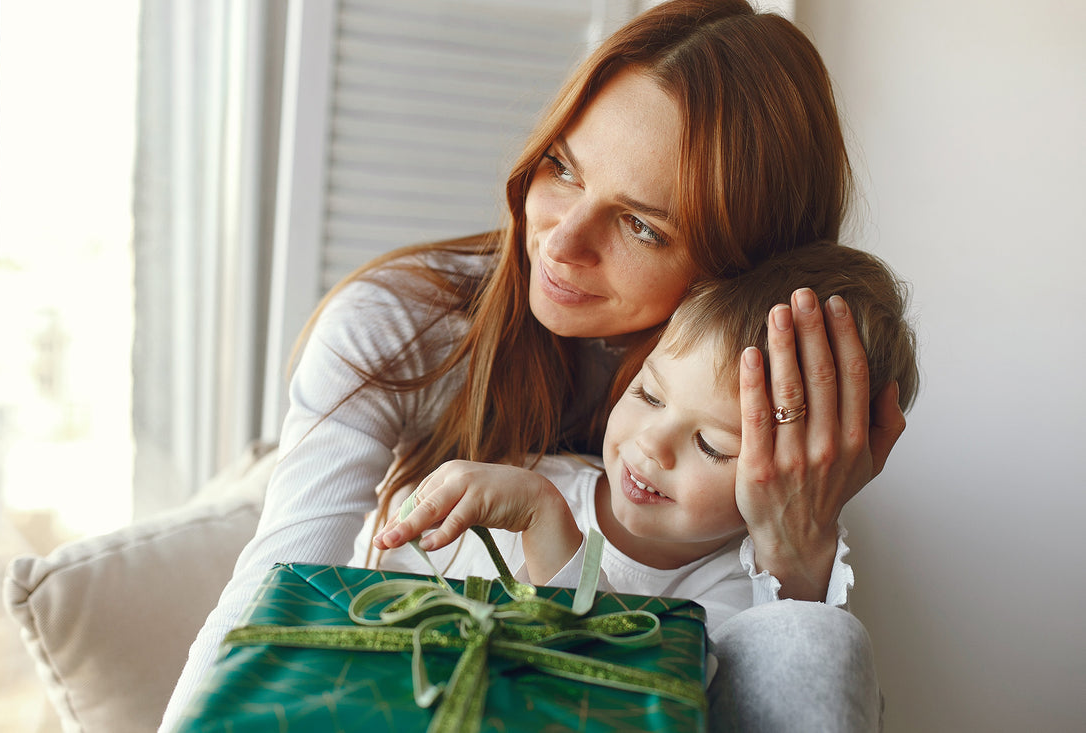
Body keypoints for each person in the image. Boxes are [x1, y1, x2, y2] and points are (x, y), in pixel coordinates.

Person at [160, 1, 908, 730]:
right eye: (563, 166)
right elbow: (271, 597)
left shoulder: (746, 430)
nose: (560, 241)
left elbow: (736, 697)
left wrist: (797, 556)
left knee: (826, 641)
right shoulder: (397, 328)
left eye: (641, 225)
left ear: (741, 271)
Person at [367, 242, 919, 674]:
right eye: (649, 395)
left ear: (795, 476)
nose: (651, 444)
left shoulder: (733, 593)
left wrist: (548, 527)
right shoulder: (526, 477)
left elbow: (635, 689)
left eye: (713, 447)